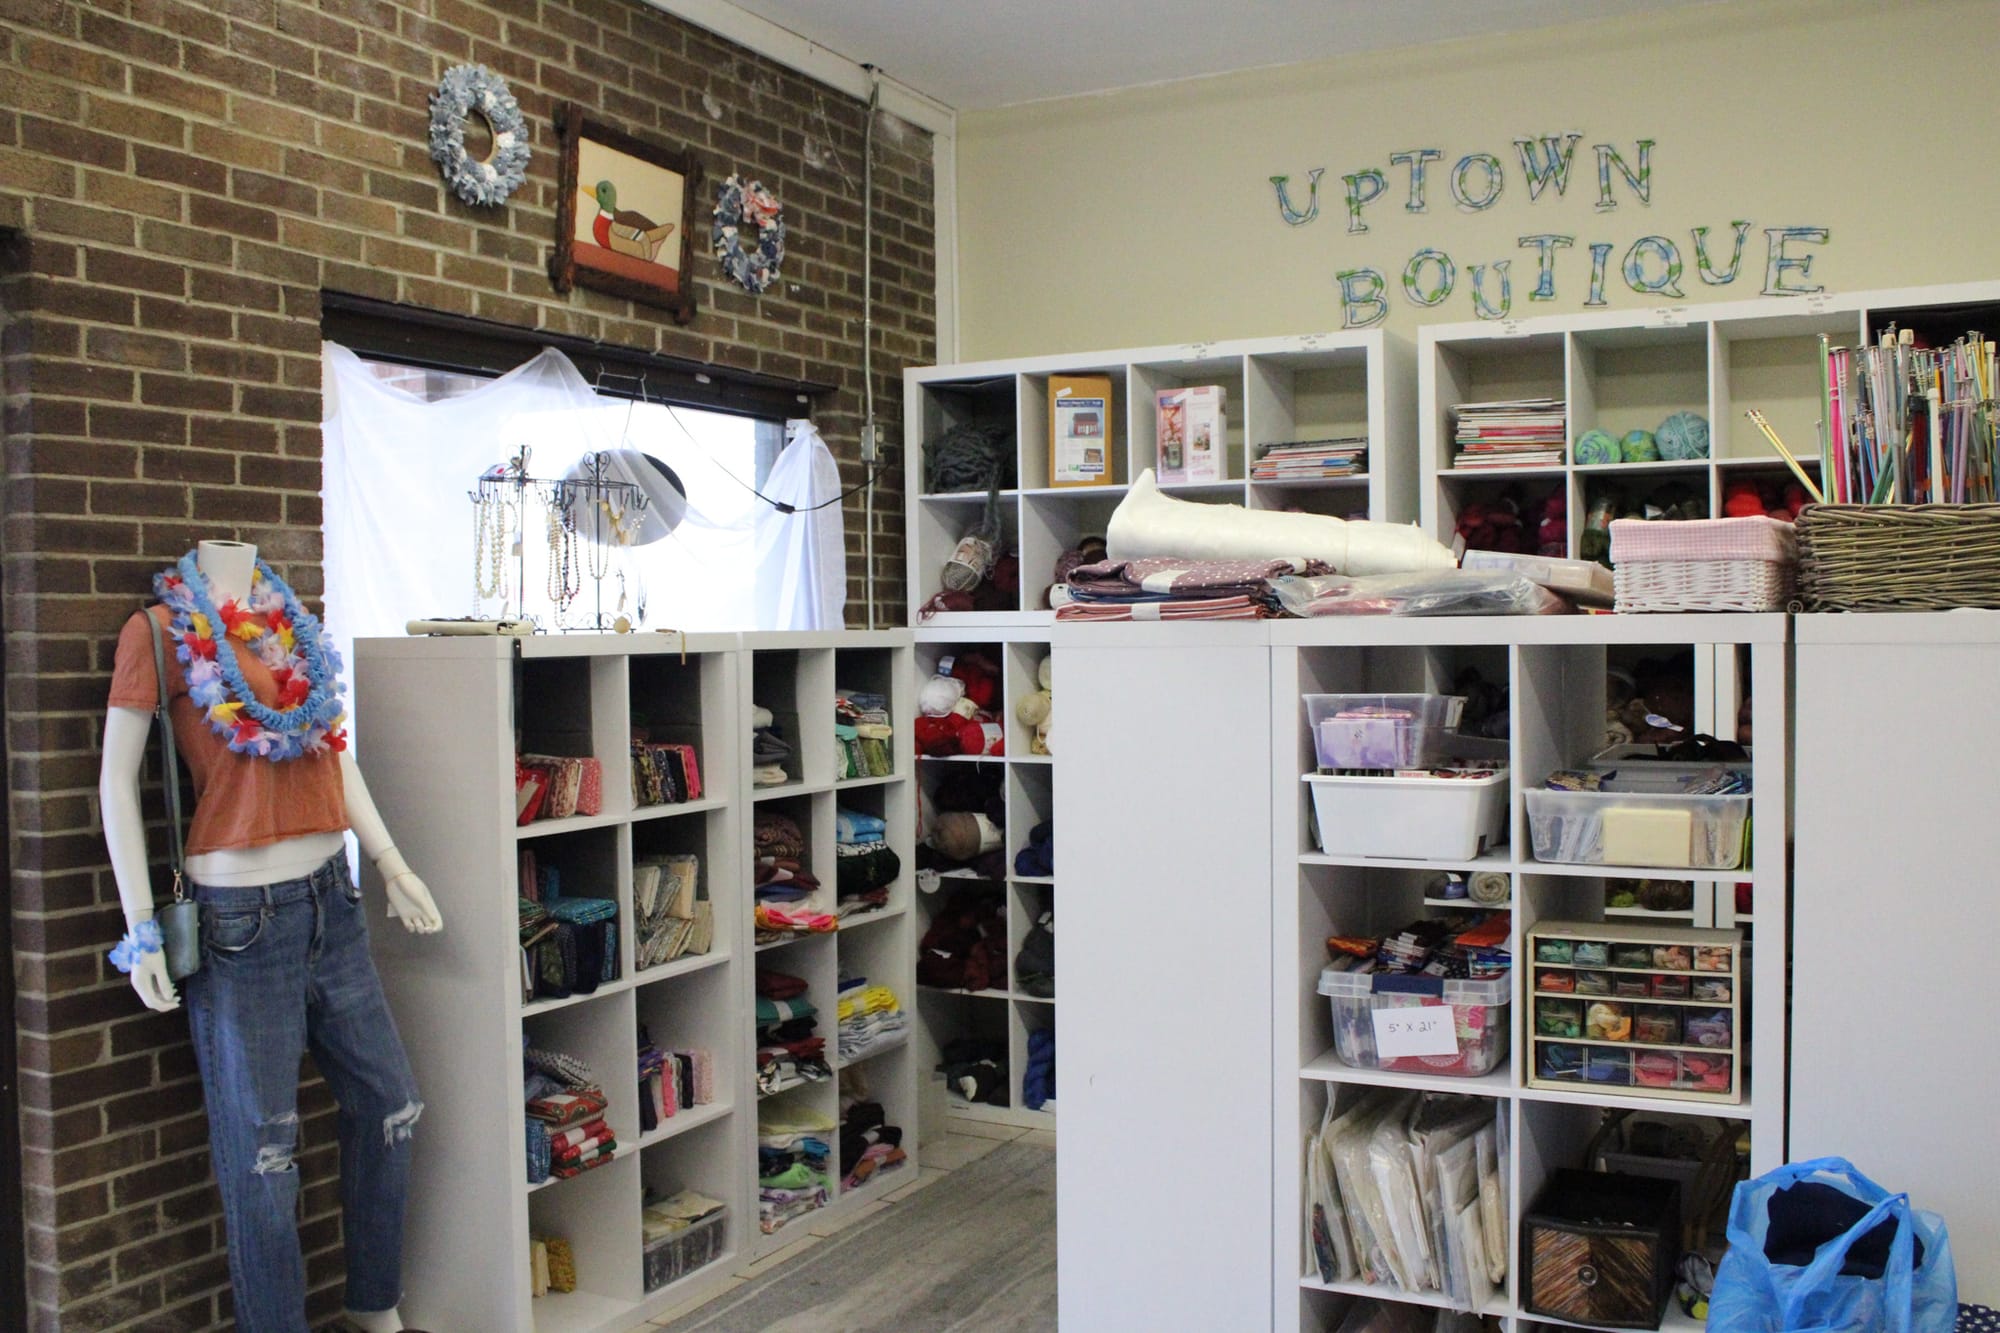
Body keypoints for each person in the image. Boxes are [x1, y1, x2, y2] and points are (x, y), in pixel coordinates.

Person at [99, 539, 441, 1333]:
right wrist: (140, 928)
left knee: (392, 1103)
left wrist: (390, 862)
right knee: (262, 1157)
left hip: (333, 895)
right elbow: (116, 780)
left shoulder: (287, 629)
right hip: (239, 922)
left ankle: (374, 1308)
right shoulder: (157, 633)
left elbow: (332, 752)